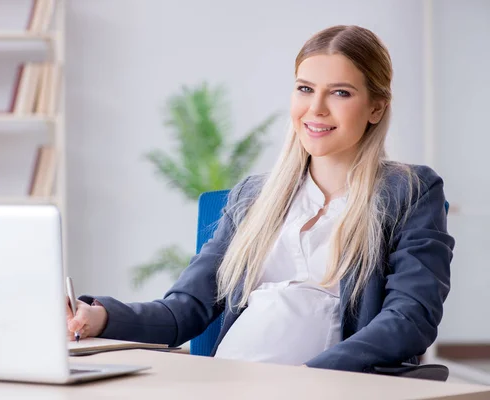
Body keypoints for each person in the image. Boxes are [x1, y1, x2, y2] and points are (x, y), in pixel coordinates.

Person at [65, 25, 455, 373]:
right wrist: (97, 317)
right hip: (226, 382)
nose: (315, 109)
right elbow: (184, 311)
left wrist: (311, 374)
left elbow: (411, 317)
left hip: (327, 386)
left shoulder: (410, 190)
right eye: (305, 89)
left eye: (340, 92)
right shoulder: (254, 197)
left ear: (376, 106)